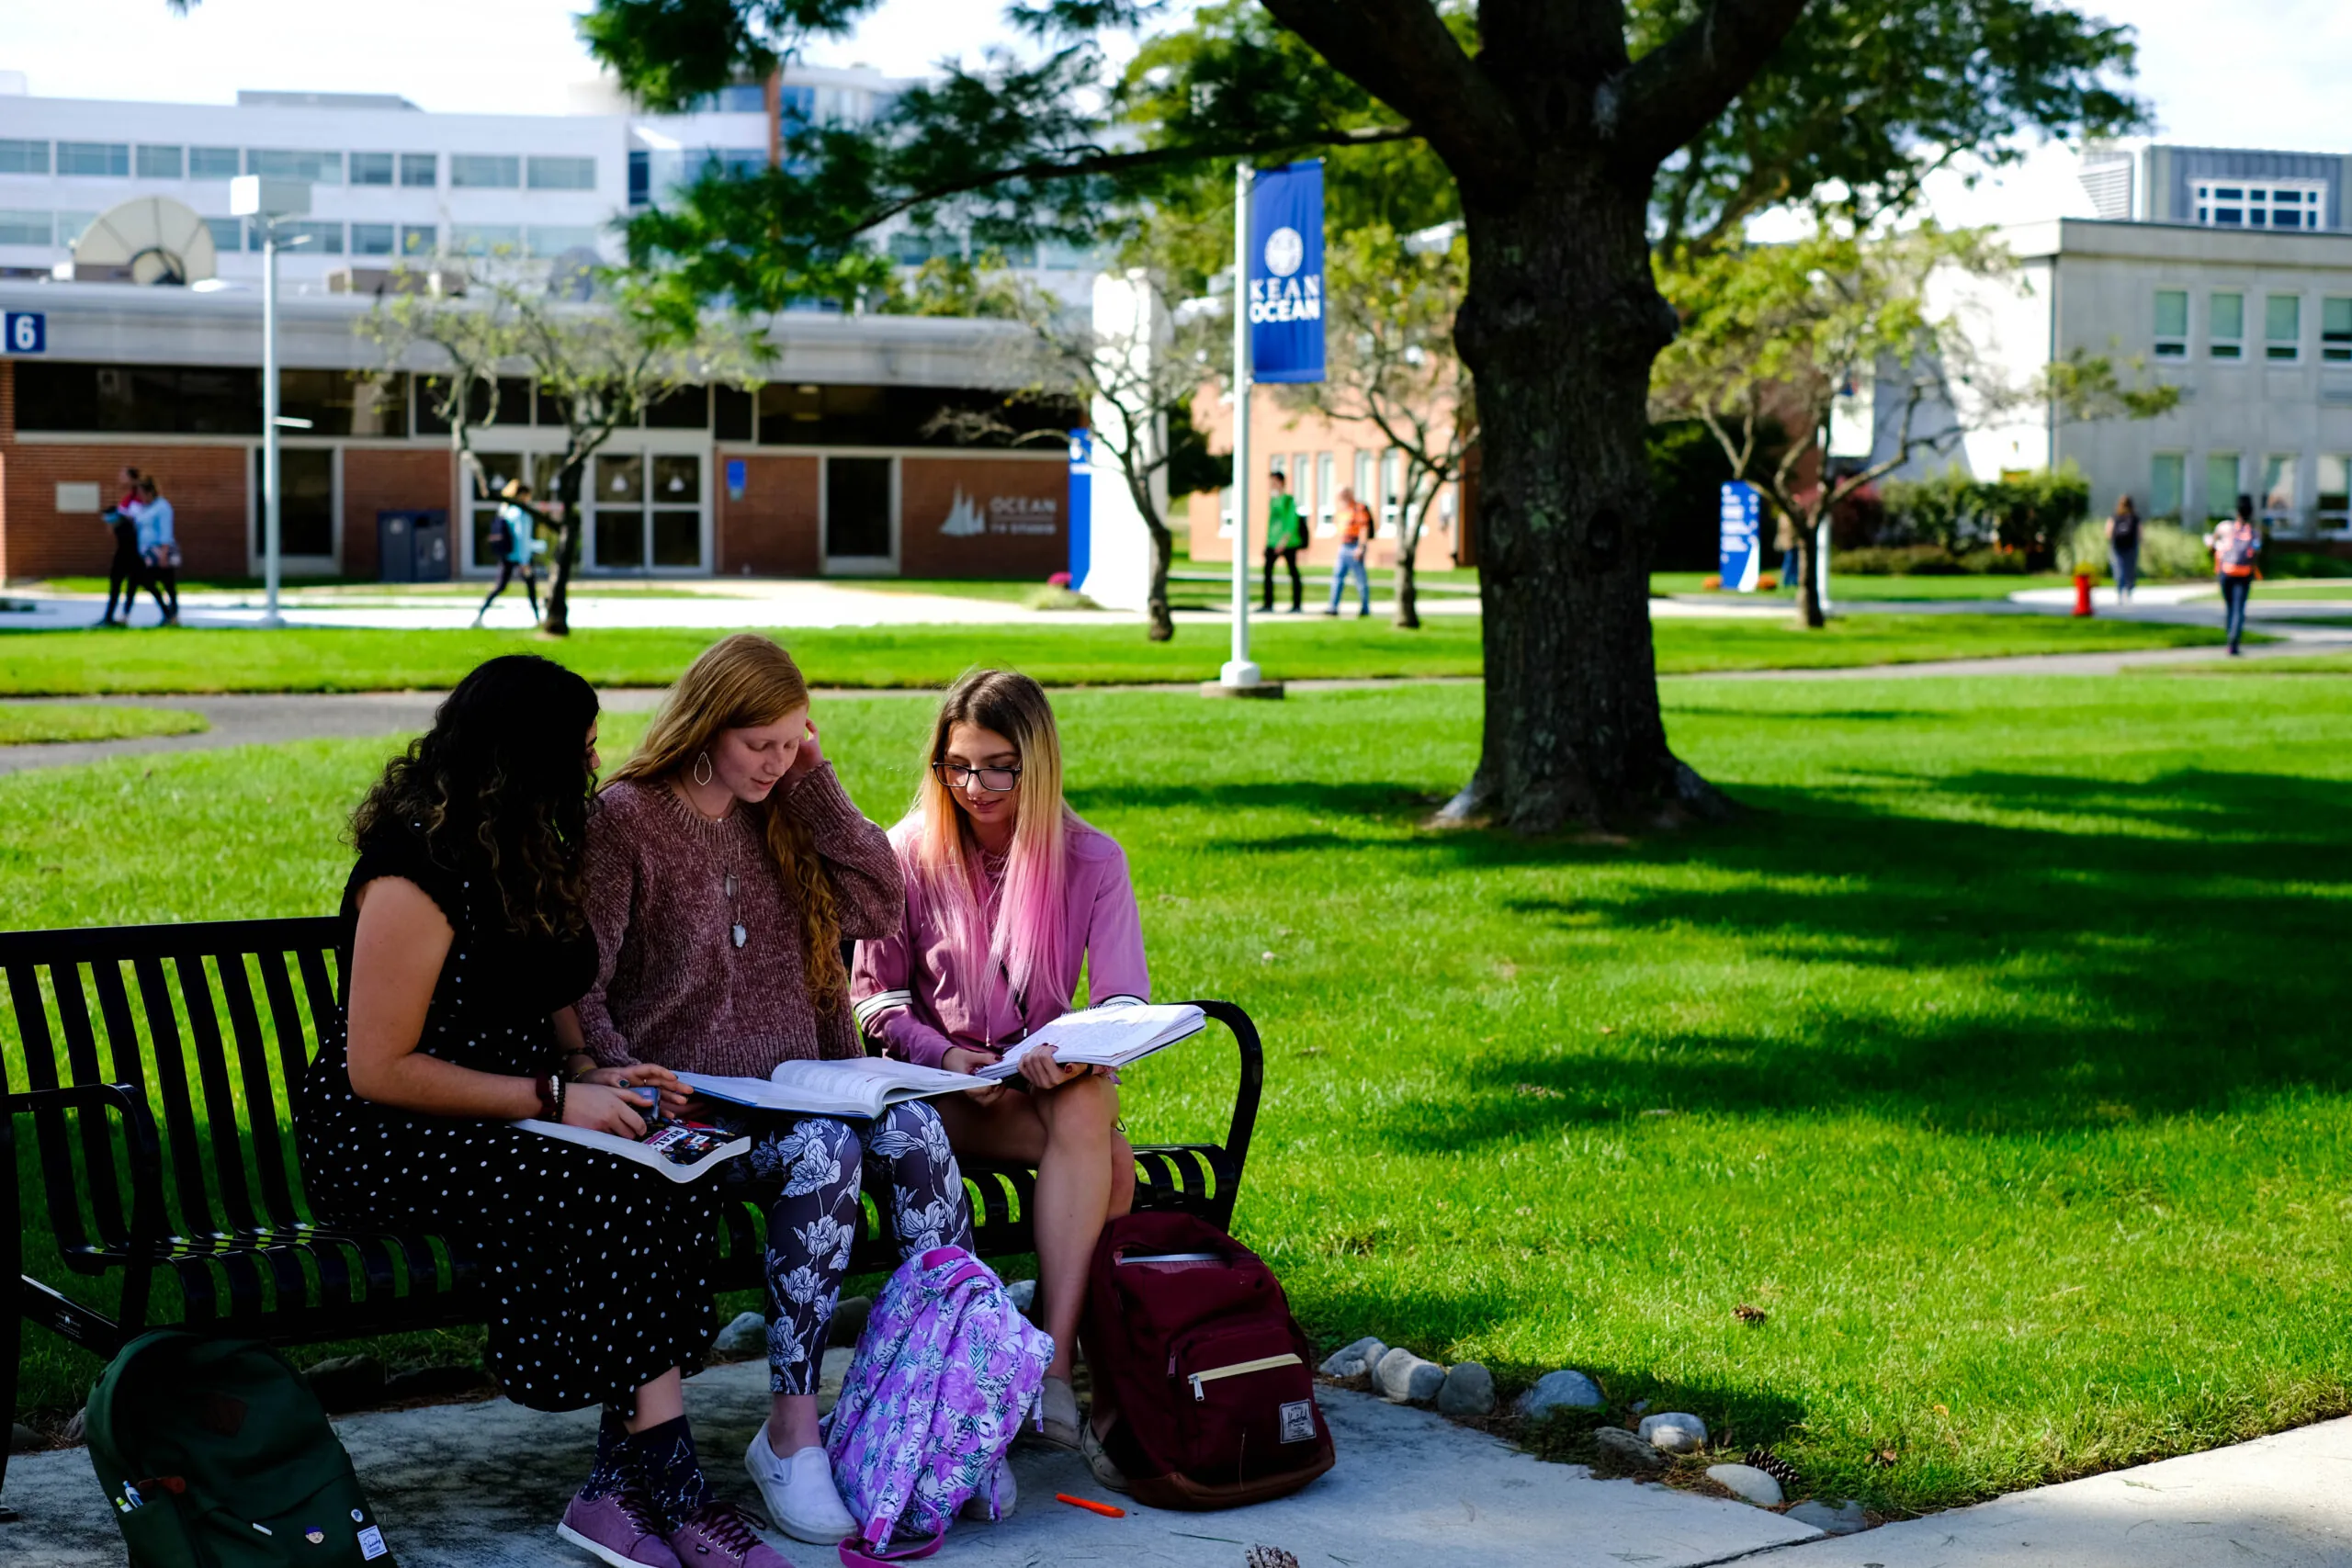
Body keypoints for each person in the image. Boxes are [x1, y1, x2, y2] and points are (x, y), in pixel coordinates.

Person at [293, 656, 780, 1568]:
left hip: (518, 1111)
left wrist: (602, 1071)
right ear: (528, 757)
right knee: (616, 1189)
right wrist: (560, 1100)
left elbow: (555, 992)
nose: (594, 766)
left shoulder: (525, 845)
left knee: (672, 1170)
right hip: (397, 1137)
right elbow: (379, 1069)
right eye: (582, 749)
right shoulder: (410, 873)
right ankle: (666, 1488)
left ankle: (618, 1485)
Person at [575, 633, 977, 1544]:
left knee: (916, 1134)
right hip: (690, 1114)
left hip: (807, 1084)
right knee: (827, 1153)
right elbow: (582, 980)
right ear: (707, 727)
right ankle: (792, 1434)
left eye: (792, 740)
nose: (774, 761)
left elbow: (880, 903)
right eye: (759, 744)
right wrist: (616, 1075)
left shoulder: (786, 804)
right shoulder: (626, 818)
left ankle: (925, 1408)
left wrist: (814, 779)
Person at [852, 669, 1141, 1492]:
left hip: (1038, 1086)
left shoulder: (1092, 859)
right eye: (959, 765)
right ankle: (1059, 1373)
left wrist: (1073, 1052)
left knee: (1091, 1096)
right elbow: (874, 1000)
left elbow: (1122, 1003)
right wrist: (944, 1057)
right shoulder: (907, 851)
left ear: (1039, 764)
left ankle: (1041, 1371)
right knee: (1112, 1161)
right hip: (933, 1096)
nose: (976, 787)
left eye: (999, 766)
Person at [473, 480, 543, 626]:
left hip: (508, 555)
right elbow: (521, 538)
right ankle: (537, 618)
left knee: (500, 586)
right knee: (530, 587)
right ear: (523, 495)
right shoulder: (521, 514)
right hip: (520, 556)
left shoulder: (507, 511)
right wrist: (524, 561)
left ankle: (480, 615)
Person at [2207, 495, 2262, 657]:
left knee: (2230, 607)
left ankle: (2230, 635)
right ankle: (2234, 640)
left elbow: (2212, 545)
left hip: (2227, 571)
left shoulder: (2225, 527)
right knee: (2239, 607)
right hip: (2244, 573)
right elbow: (2257, 551)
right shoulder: (2254, 532)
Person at [97, 465, 143, 627]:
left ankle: (122, 616)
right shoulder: (128, 497)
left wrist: (120, 519)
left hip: (133, 547)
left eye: (123, 475)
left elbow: (136, 518)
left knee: (136, 582)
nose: (120, 478)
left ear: (131, 478)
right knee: (117, 581)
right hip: (123, 545)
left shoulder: (138, 496)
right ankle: (110, 616)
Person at [130, 476, 179, 626]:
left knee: (167, 584)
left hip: (160, 551)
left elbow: (166, 531)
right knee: (147, 582)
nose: (140, 497)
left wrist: (164, 554)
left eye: (141, 493)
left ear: (149, 491)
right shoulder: (144, 508)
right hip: (146, 553)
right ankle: (167, 613)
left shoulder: (162, 506)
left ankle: (172, 615)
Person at [1261, 468, 1306, 614]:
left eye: (1274, 481)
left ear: (1280, 482)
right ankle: (1268, 604)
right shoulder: (1273, 500)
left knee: (1292, 572)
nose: (1272, 485)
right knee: (1267, 572)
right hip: (1272, 542)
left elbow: (1292, 522)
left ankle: (1297, 605)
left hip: (1287, 543)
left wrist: (1283, 541)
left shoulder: (1288, 500)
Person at [1325, 487, 1373, 617]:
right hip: (1344, 545)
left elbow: (1364, 528)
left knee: (1360, 579)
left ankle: (1365, 607)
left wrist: (1361, 547)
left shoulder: (1358, 508)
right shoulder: (1342, 510)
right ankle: (1333, 607)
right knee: (1337, 577)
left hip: (1355, 545)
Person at [2106, 493, 2142, 603]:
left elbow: (2108, 531)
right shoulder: (2134, 517)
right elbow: (2140, 533)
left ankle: (2120, 591)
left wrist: (2110, 541)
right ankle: (2128, 590)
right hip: (2131, 546)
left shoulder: (2115, 516)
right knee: (2129, 570)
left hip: (2117, 546)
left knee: (2119, 569)